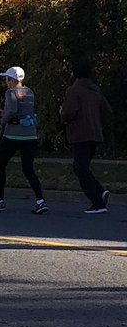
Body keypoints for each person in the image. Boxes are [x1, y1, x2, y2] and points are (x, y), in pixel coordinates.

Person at [0, 66, 47, 214]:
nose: (6, 82)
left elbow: (13, 110)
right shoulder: (29, 92)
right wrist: (5, 113)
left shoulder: (10, 92)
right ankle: (40, 201)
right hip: (30, 135)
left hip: (13, 135)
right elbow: (24, 111)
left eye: (6, 79)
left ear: (12, 80)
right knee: (28, 168)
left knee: (0, 165)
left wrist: (0, 123)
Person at [61, 61, 113, 215]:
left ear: (75, 74)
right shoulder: (95, 89)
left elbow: (69, 112)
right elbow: (107, 111)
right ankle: (100, 192)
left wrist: (62, 115)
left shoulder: (74, 90)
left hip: (80, 134)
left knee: (81, 169)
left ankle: (97, 202)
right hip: (95, 133)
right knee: (80, 167)